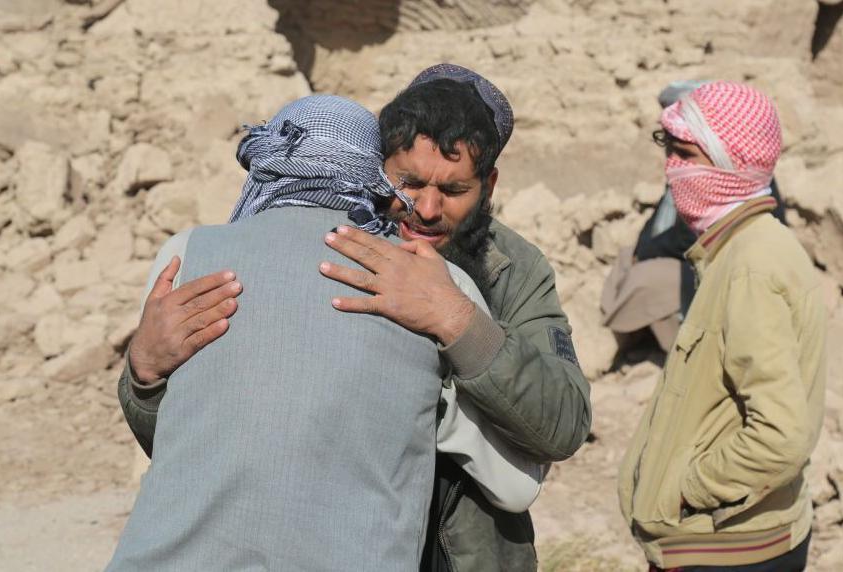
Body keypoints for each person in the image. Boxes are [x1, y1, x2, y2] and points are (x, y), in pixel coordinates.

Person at [119, 65, 592, 572]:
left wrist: (459, 322)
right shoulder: (308, 246)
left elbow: (561, 427)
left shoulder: (510, 272)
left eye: (453, 191)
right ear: (373, 165)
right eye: (408, 182)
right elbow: (197, 436)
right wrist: (144, 374)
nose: (426, 209)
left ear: (489, 183)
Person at [616, 81, 826, 572]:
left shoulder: (751, 265)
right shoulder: (736, 248)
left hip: (727, 550)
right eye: (667, 149)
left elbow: (781, 435)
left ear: (730, 161)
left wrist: (687, 489)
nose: (672, 168)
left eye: (686, 154)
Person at [601, 80, 787, 353]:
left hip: (696, 268)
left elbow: (693, 237)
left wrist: (649, 252)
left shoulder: (738, 185)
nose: (674, 159)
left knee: (648, 279)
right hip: (686, 261)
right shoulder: (689, 171)